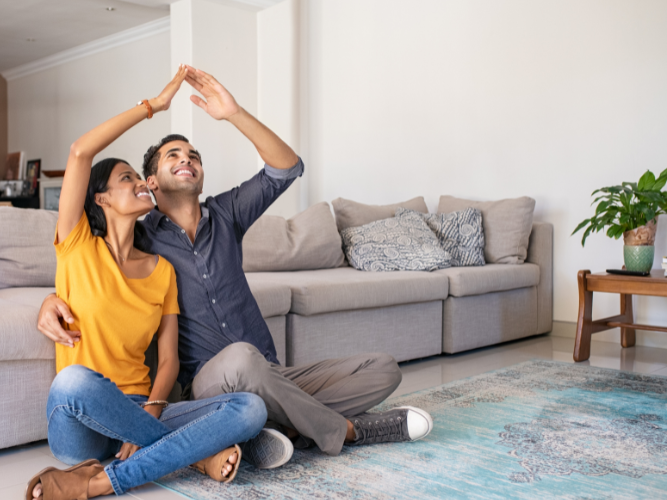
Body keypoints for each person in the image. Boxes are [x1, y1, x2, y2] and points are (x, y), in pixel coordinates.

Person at [37, 64, 433, 471]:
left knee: (382, 369)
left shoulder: (221, 217)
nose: (185, 159)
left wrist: (234, 113)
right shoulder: (141, 238)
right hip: (211, 384)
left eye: (193, 155)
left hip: (265, 373)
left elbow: (286, 168)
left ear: (201, 176)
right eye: (171, 155)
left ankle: (279, 425)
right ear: (151, 184)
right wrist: (49, 299)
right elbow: (88, 256)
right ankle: (344, 431)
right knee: (240, 361)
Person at [27, 65, 267, 500]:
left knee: (250, 408)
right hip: (79, 424)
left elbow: (170, 361)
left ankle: (101, 481)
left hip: (142, 409)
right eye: (127, 179)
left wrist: (154, 407)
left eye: (140, 179)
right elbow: (80, 152)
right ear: (100, 198)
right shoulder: (77, 242)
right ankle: (193, 456)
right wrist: (152, 107)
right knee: (73, 381)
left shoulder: (161, 269)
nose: (141, 184)